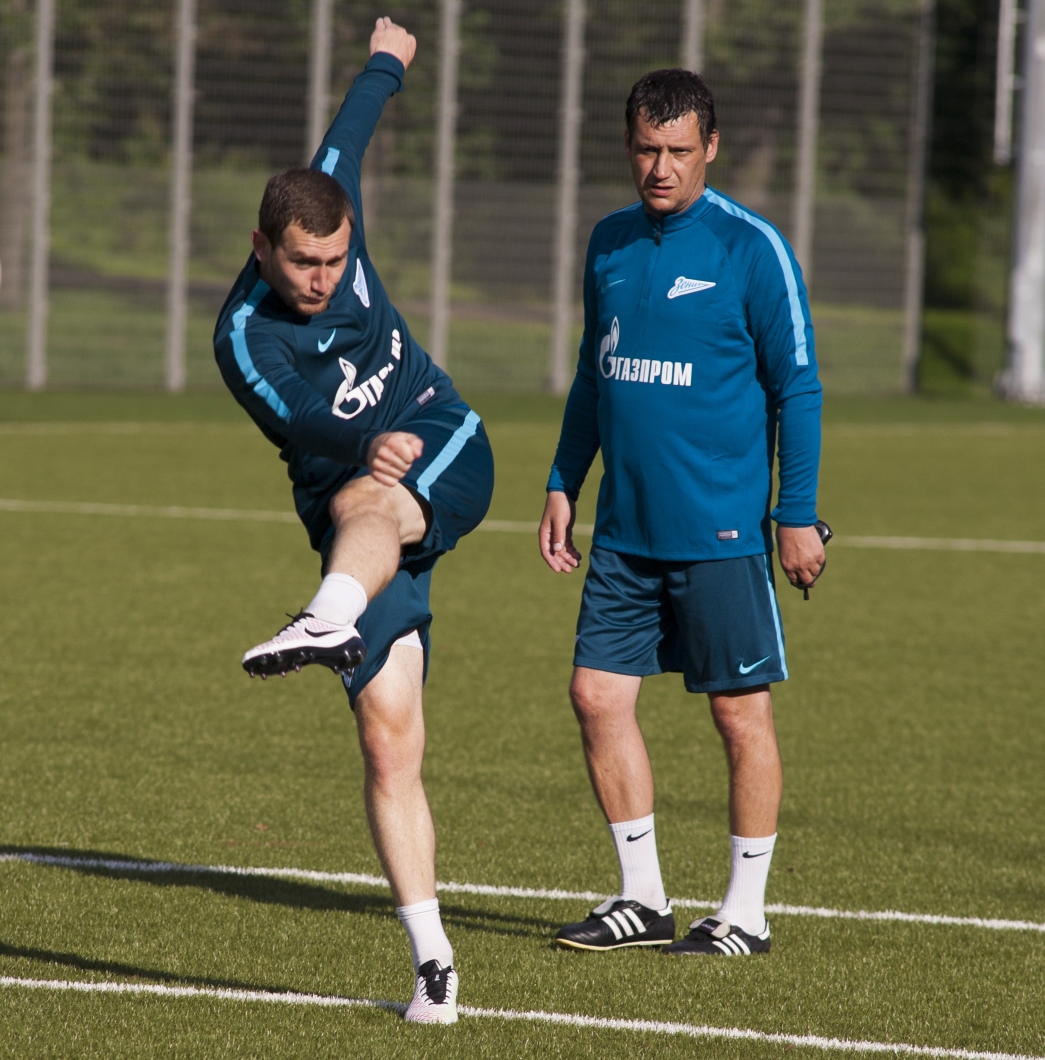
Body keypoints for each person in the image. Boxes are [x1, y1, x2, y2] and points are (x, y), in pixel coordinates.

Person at [213, 17, 493, 1022]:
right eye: (303, 262)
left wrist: (387, 59)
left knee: (373, 496)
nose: (324, 277)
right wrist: (364, 442)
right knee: (387, 738)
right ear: (261, 247)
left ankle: (324, 614)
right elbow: (300, 421)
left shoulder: (331, 204)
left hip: (443, 437)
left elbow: (348, 133)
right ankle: (433, 964)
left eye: (336, 259)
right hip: (350, 504)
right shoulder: (243, 338)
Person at [537, 69, 825, 957]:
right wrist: (563, 478)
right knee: (595, 696)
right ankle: (643, 899)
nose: (659, 168)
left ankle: (746, 911)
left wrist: (796, 513)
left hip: (720, 531)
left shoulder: (752, 248)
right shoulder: (610, 242)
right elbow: (595, 373)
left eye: (677, 151)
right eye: (644, 150)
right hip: (626, 530)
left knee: (739, 716)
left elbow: (798, 387)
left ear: (711, 148)